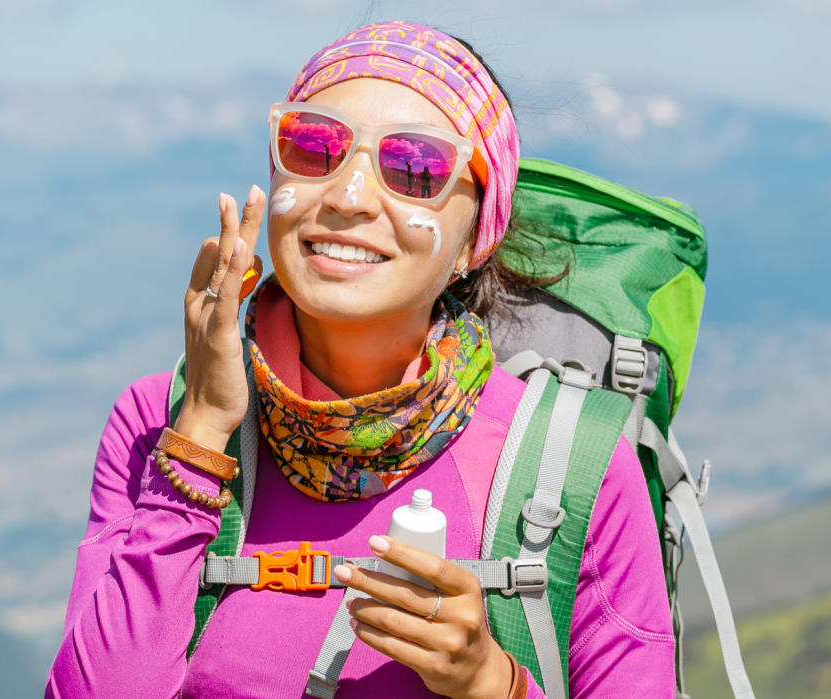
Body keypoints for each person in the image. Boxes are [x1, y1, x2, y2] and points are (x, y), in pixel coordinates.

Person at [47, 21, 674, 698]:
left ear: (475, 239)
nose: (347, 197)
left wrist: (494, 683)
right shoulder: (158, 421)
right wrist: (200, 432)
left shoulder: (576, 462)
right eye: (313, 147)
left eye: (416, 169)